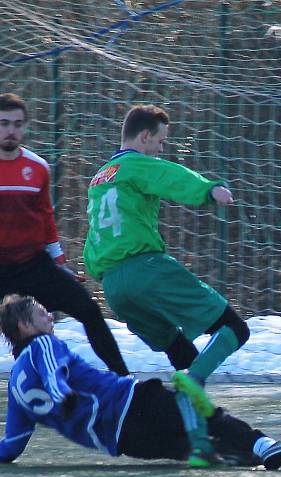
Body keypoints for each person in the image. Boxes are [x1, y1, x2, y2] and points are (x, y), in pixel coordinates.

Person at [0, 294, 281, 470]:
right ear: (25, 328)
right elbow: (53, 372)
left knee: (195, 449)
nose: (49, 316)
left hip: (124, 441)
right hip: (132, 402)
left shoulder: (15, 385)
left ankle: (246, 457)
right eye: (41, 314)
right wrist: (62, 394)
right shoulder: (45, 344)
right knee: (204, 412)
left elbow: (14, 442)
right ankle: (265, 447)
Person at [0, 93, 129, 413]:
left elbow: (45, 217)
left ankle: (123, 378)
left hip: (32, 264)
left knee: (88, 310)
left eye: (17, 125)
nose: (11, 130)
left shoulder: (38, 168)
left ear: (24, 128)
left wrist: (60, 262)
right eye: (5, 124)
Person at [83, 104, 248, 417]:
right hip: (146, 271)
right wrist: (208, 190)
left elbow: (94, 233)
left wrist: (93, 270)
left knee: (181, 352)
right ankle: (195, 383)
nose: (160, 150)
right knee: (235, 329)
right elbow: (171, 176)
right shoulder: (137, 164)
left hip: (113, 288)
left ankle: (198, 436)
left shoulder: (100, 178)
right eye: (160, 142)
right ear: (144, 137)